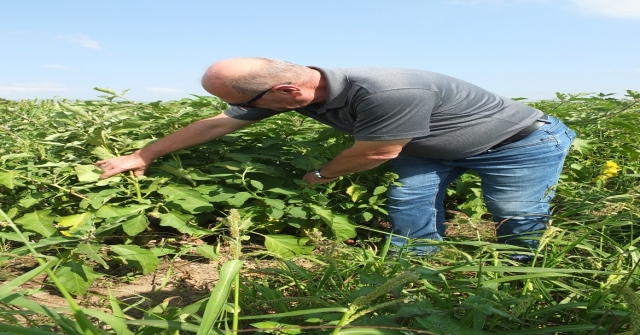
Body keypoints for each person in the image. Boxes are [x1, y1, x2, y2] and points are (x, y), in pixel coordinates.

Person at [96, 57, 576, 259]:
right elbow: (219, 123)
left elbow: (379, 150)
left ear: (286, 89)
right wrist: (142, 153)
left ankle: (521, 273)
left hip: (516, 146)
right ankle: (417, 268)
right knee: (409, 205)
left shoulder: (387, 92)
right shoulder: (297, 92)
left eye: (256, 102)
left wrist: (322, 174)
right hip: (430, 147)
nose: (250, 111)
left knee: (515, 213)